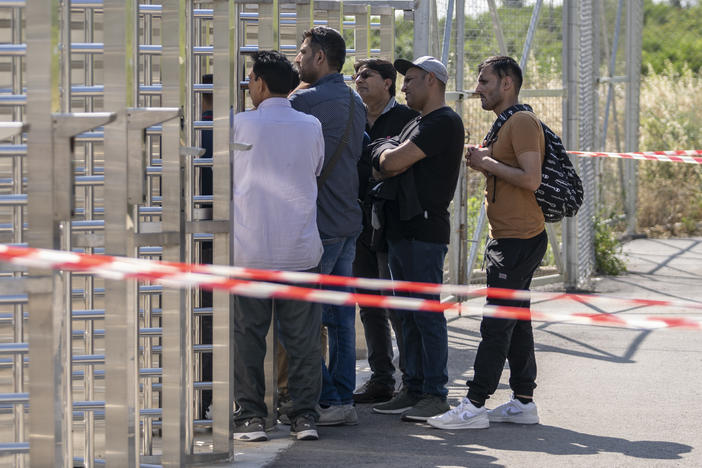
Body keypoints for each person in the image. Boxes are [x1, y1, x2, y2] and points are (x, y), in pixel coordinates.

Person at [428, 55, 547, 430]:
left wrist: (486, 163)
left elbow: (531, 179)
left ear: (507, 82)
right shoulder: (507, 123)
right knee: (517, 319)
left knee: (497, 324)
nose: (478, 88)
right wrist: (486, 161)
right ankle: (523, 401)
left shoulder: (523, 122)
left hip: (518, 239)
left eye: (484, 81)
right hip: (509, 238)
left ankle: (475, 405)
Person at [231, 50, 325, 442]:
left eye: (250, 80)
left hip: (250, 249)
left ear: (260, 82)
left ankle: (250, 417)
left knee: (248, 338)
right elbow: (316, 168)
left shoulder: (238, 125)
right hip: (300, 249)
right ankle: (303, 416)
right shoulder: (312, 125)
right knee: (302, 339)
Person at [369, 56, 465, 421]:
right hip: (401, 231)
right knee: (406, 315)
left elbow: (390, 162)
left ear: (431, 80)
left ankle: (435, 394)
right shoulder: (419, 123)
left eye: (409, 80)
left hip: (423, 232)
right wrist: (384, 153)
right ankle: (412, 388)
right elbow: (383, 149)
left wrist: (384, 155)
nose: (403, 86)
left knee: (425, 315)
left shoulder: (442, 122)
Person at [290, 26, 366, 426]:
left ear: (320, 57)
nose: (297, 60)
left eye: (302, 53)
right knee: (339, 319)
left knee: (299, 319)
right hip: (348, 221)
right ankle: (341, 399)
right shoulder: (355, 101)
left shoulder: (303, 101)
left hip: (318, 225)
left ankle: (321, 397)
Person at [351, 58, 418, 404]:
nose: (358, 80)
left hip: (392, 223)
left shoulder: (407, 119)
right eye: (356, 75)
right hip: (355, 222)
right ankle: (381, 379)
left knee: (397, 305)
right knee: (369, 303)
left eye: (367, 75)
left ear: (388, 83)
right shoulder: (350, 115)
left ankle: (410, 380)